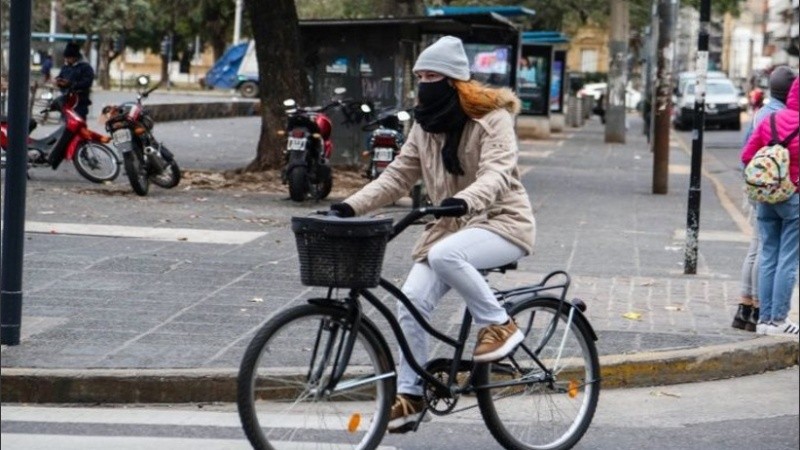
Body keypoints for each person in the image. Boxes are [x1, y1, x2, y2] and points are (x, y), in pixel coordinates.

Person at [329, 35, 536, 432]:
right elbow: (397, 176)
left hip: (502, 222)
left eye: (432, 76)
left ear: (456, 81)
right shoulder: (424, 126)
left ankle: (500, 325)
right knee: (410, 302)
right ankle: (410, 395)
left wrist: (466, 200)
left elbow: (497, 173)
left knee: (445, 255)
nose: (424, 83)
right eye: (420, 75)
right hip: (450, 227)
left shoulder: (494, 118)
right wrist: (348, 206)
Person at [732, 66, 798, 332]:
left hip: (765, 198)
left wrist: (767, 181)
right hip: (793, 197)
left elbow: (747, 156)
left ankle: (764, 320)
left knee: (768, 254)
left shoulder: (769, 119)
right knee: (789, 259)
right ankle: (780, 320)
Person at [55, 42, 94, 120]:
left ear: (75, 57)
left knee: (78, 125)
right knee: (65, 126)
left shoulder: (85, 67)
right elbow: (60, 76)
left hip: (80, 102)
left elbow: (87, 83)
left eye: (69, 58)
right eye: (66, 58)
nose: (67, 60)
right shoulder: (65, 67)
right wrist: (59, 82)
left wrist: (71, 84)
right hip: (66, 102)